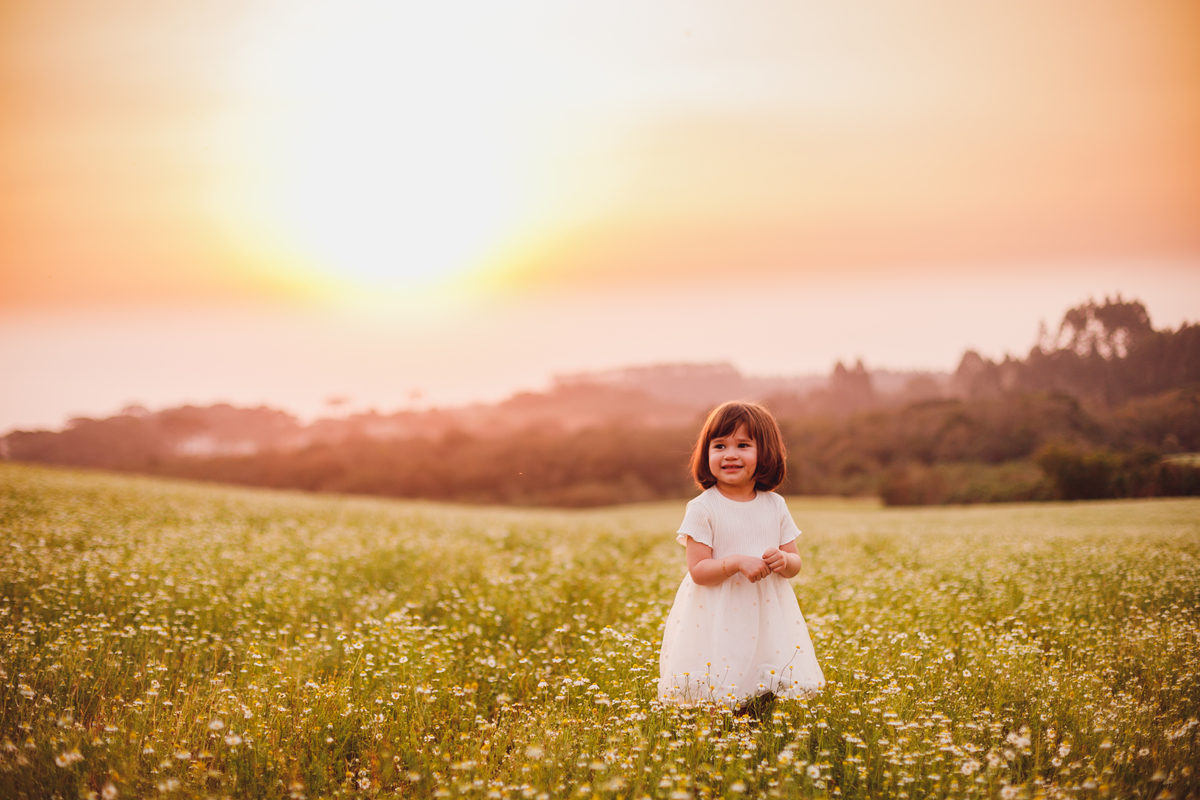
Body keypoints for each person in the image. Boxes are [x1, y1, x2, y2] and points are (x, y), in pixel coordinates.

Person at [658, 400, 825, 711]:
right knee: (718, 684)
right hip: (717, 612)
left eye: (743, 445)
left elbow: (795, 563)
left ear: (766, 452)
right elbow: (698, 570)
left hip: (766, 611)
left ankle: (757, 736)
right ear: (705, 454)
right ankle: (718, 740)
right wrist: (735, 562)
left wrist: (783, 560)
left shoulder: (775, 505)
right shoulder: (703, 508)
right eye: (719, 445)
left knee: (766, 677)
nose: (730, 454)